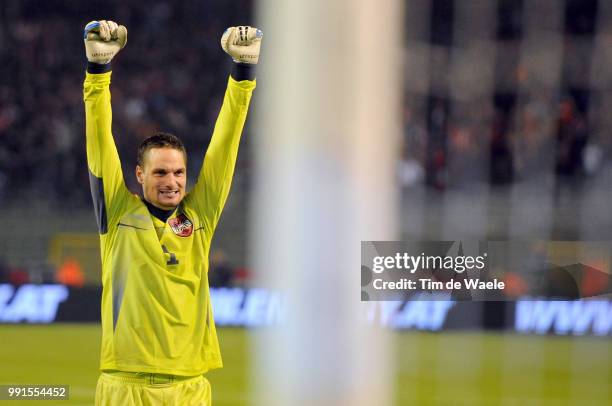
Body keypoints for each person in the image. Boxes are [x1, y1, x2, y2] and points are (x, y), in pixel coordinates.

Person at [82, 20, 261, 405]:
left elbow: (223, 148)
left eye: (179, 172)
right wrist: (98, 72)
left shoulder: (200, 217)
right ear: (140, 174)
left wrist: (242, 75)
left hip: (189, 388)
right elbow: (99, 143)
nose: (172, 181)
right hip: (125, 386)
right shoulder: (117, 213)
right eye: (160, 172)